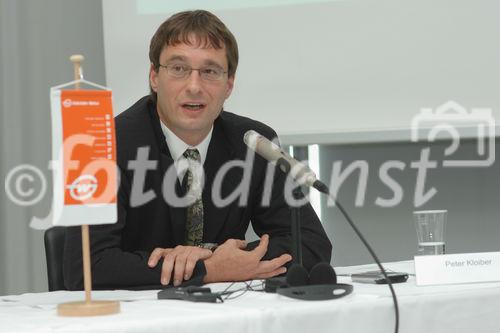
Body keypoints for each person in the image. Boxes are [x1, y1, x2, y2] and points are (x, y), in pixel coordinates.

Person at [63, 10, 332, 290]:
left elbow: (312, 245)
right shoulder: (101, 144)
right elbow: (84, 268)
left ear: (229, 85)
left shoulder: (253, 143)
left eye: (210, 71)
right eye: (178, 69)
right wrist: (208, 270)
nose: (194, 86)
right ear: (154, 77)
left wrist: (218, 261)